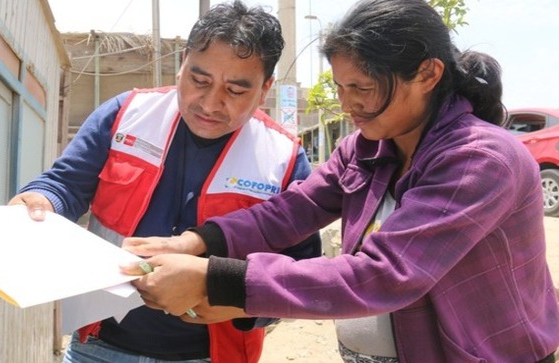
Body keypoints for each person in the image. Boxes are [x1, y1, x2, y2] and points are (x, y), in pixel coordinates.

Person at [121, 0, 559, 362]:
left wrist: (218, 279)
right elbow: (291, 211)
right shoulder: (367, 147)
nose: (349, 103)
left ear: (427, 74)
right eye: (341, 87)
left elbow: (384, 275)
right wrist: (196, 242)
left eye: (363, 88)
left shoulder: (479, 159)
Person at [8, 1, 321, 362]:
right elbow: (65, 184)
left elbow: (301, 271)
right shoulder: (125, 115)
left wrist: (239, 302)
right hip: (98, 344)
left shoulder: (282, 158)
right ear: (182, 62)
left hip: (212, 355)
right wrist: (41, 201)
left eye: (235, 91)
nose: (210, 103)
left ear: (265, 89)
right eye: (199, 80)